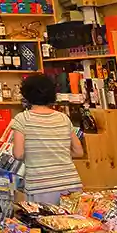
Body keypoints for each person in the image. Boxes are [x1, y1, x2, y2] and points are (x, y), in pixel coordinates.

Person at [12, 74, 85, 205]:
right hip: (71, 183)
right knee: (74, 224)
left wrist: (39, 154)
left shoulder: (22, 119)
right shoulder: (63, 118)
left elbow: (18, 153)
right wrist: (56, 154)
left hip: (41, 186)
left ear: (26, 94)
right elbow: (79, 152)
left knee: (46, 223)